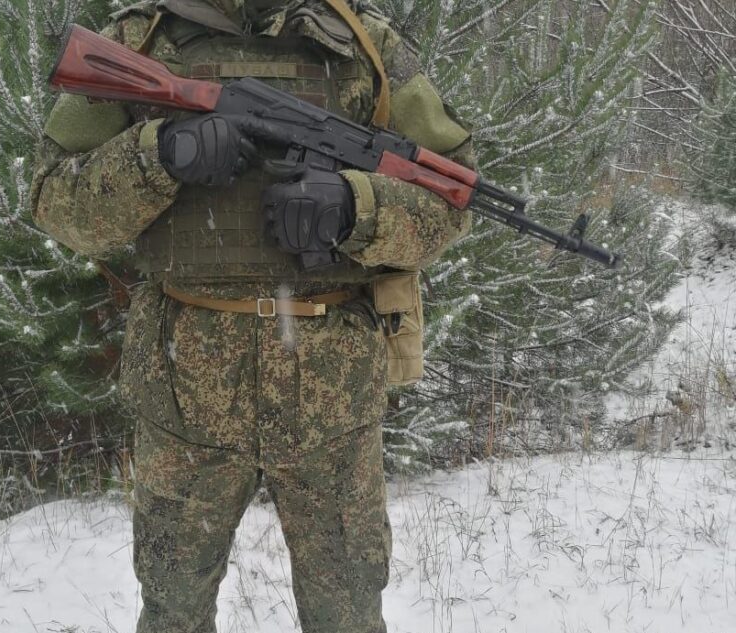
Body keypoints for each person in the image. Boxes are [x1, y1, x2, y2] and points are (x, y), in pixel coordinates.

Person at [29, 1, 474, 631]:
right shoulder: (141, 38)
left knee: (347, 613)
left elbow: (453, 198)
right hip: (184, 394)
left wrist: (356, 207)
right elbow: (54, 200)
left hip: (333, 400)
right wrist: (159, 154)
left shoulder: (364, 42)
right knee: (173, 610)